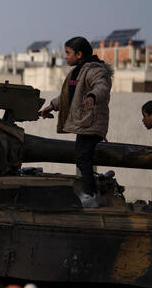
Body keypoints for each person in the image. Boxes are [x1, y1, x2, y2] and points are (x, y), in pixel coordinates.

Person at [39, 37, 113, 208]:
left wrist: (93, 96)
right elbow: (69, 96)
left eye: (68, 53)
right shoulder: (77, 71)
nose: (66, 57)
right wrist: (52, 106)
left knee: (83, 158)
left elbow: (101, 86)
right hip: (85, 123)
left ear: (79, 54)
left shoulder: (94, 70)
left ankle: (90, 195)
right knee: (83, 158)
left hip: (91, 123)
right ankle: (91, 193)